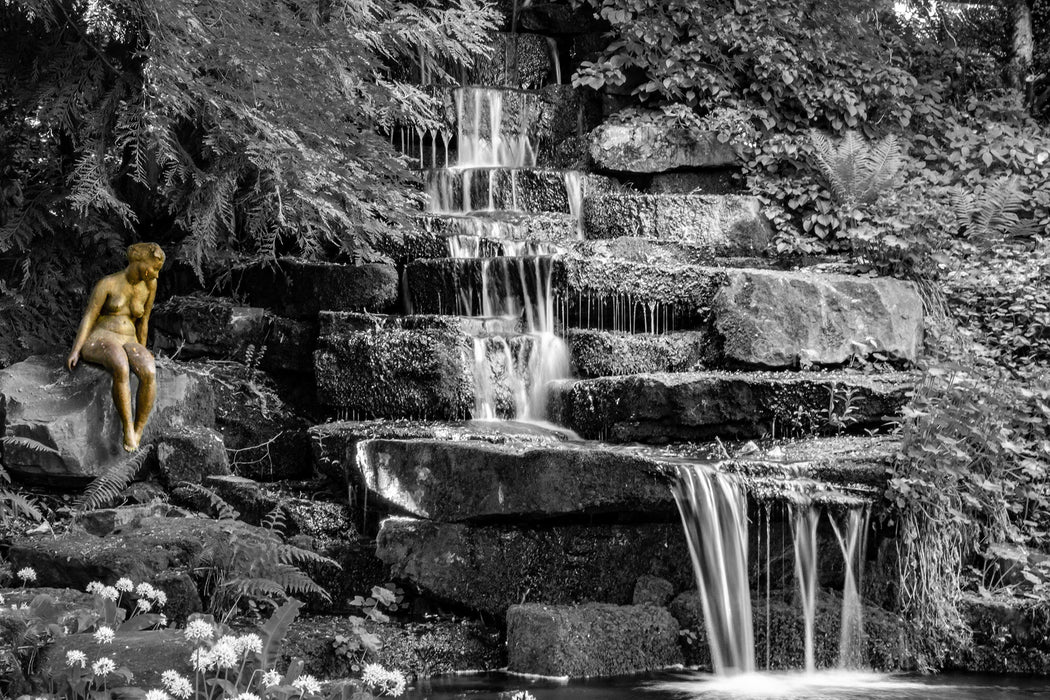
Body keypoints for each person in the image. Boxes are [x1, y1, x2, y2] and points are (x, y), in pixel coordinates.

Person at [67, 243, 165, 452]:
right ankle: (127, 428)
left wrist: (142, 350)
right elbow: (89, 316)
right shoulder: (108, 283)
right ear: (141, 263)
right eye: (154, 268)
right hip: (101, 337)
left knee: (148, 369)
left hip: (129, 339)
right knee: (120, 364)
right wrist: (76, 350)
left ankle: (138, 429)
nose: (156, 275)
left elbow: (144, 321)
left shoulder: (149, 286)